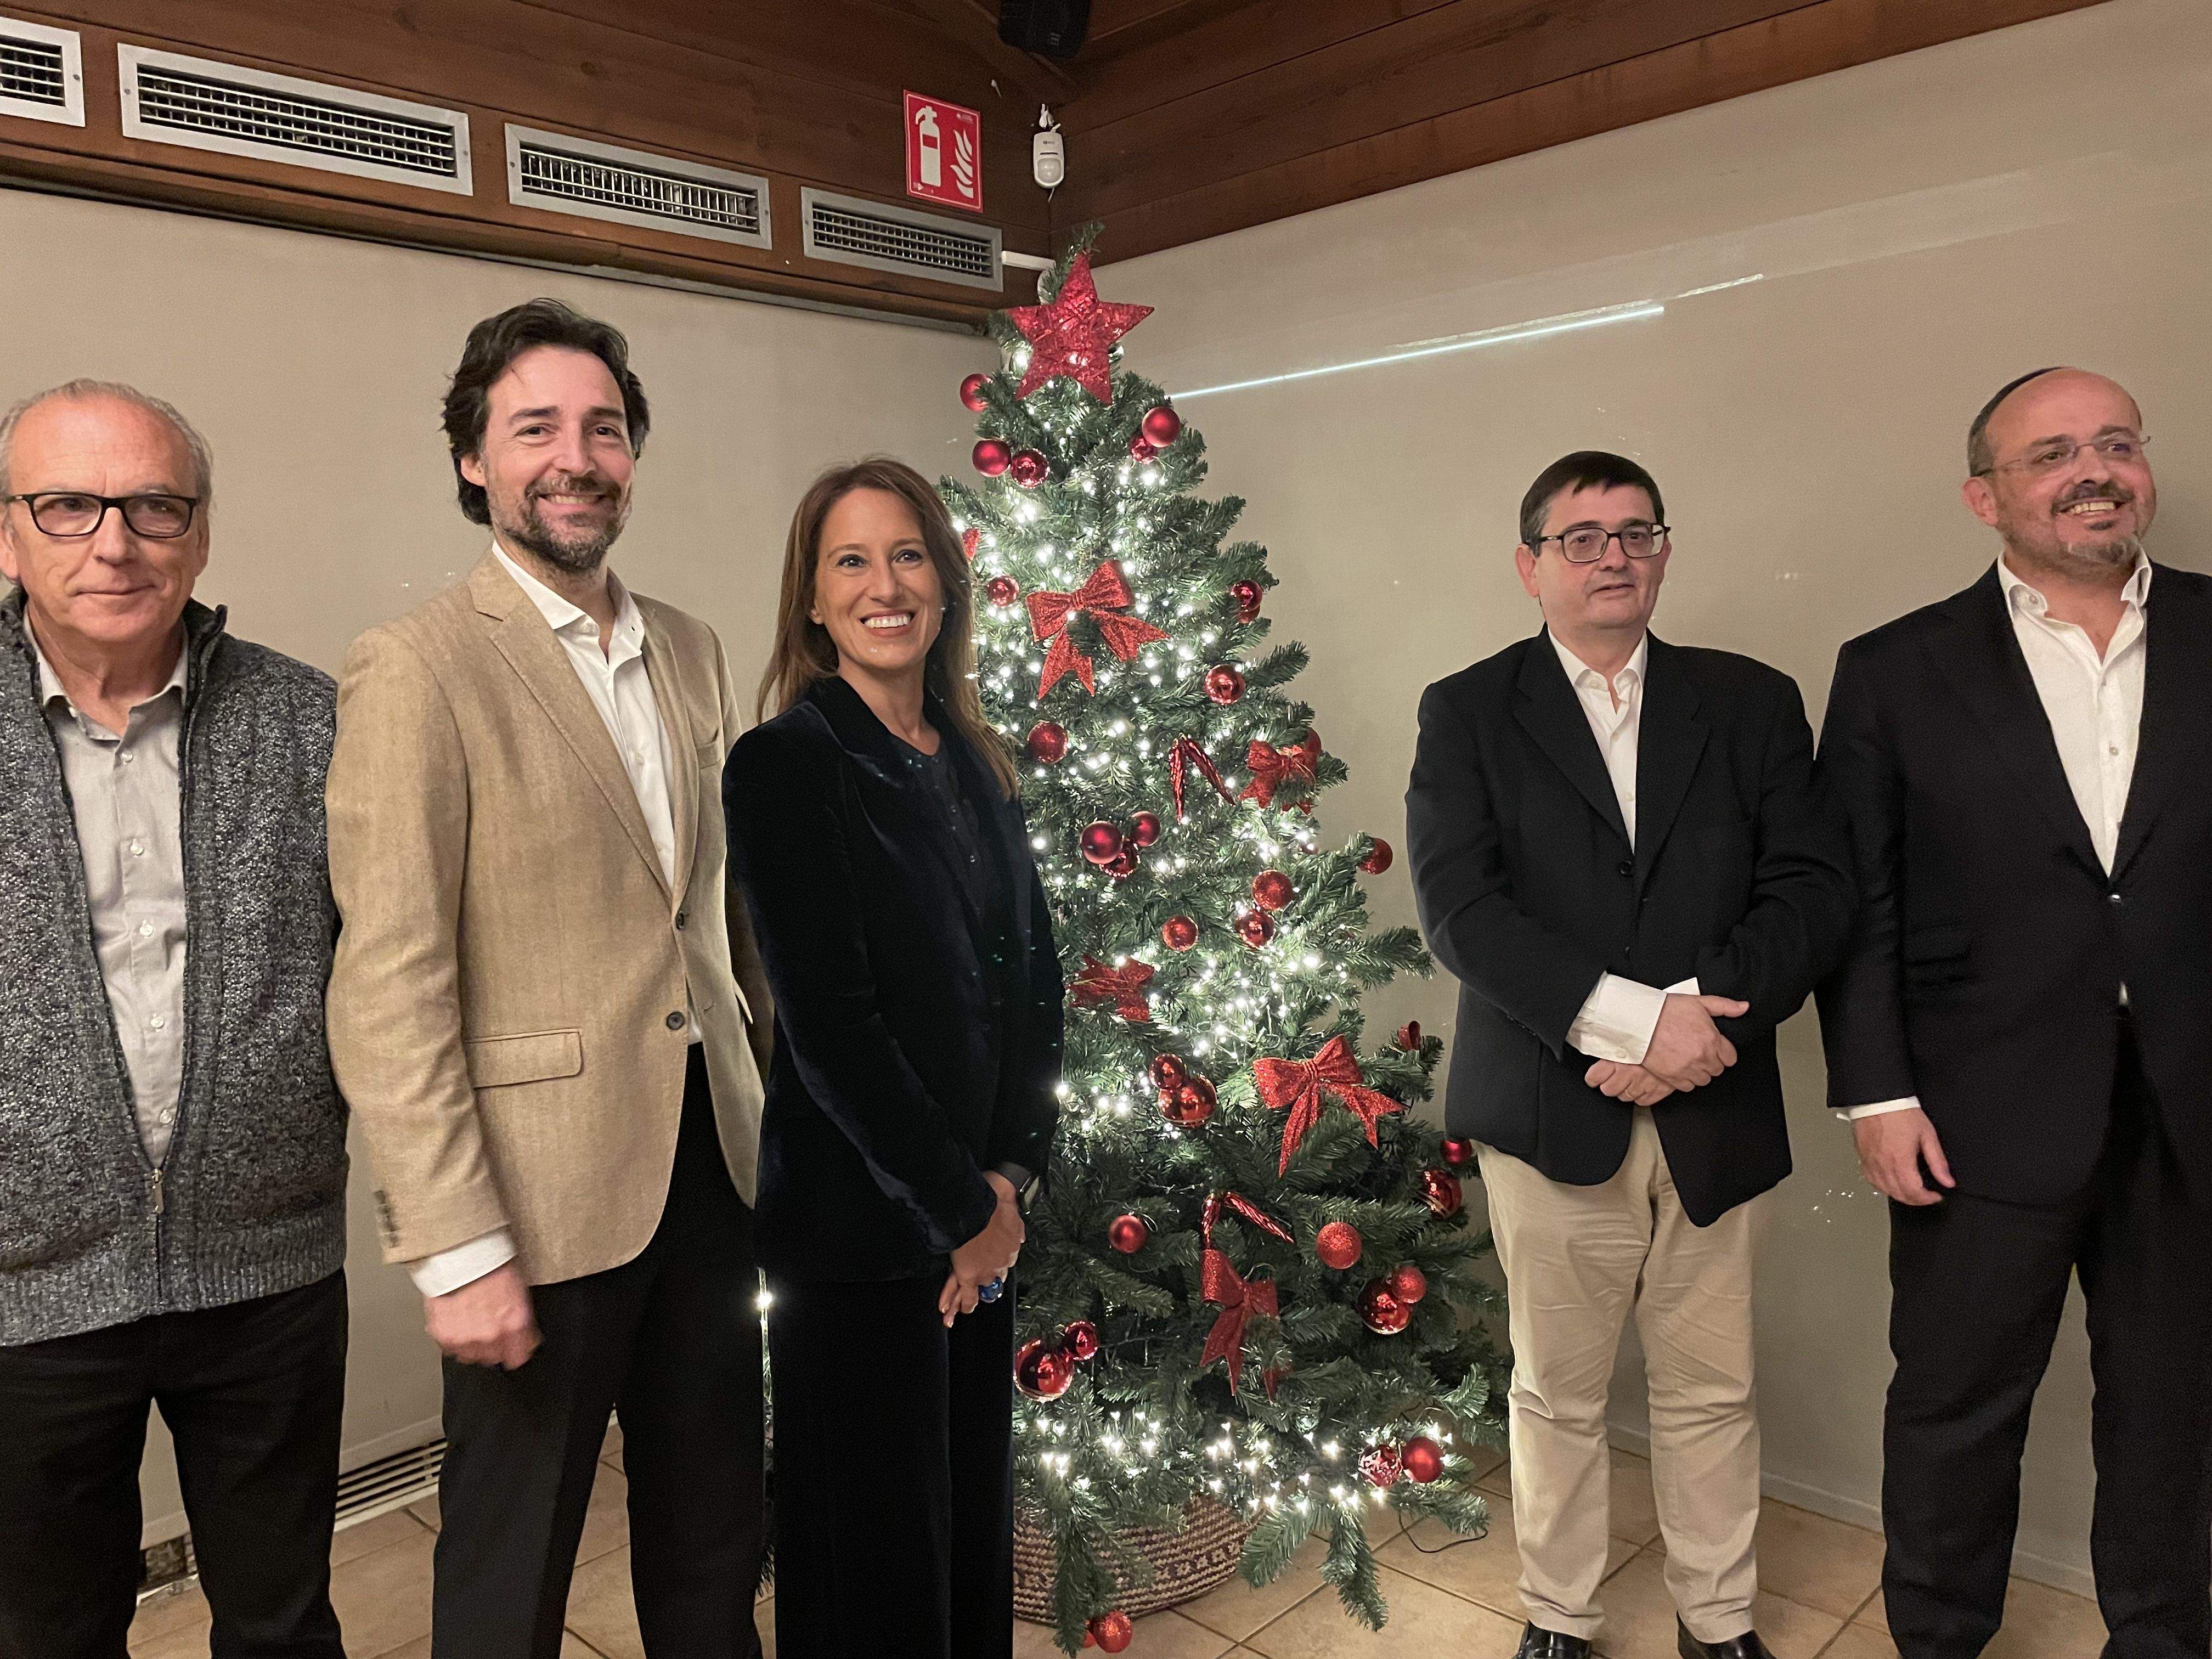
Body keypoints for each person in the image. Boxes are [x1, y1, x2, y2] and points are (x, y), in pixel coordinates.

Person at [324, 299, 772, 1658]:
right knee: (512, 1573)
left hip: (710, 1168)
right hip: (536, 1200)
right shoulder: (417, 669)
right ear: (475, 460)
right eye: (536, 429)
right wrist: (455, 1246)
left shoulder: (689, 647)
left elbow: (707, 917)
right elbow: (389, 980)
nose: (576, 458)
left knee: (714, 1539)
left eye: (605, 429)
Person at [1406, 451, 1854, 1659]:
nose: (1614, 555)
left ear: (1663, 551)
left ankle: (1720, 1621)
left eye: (1636, 532)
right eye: (1583, 536)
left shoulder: (1753, 702)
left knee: (1713, 1390)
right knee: (1556, 1395)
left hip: (1719, 1100)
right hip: (1552, 1111)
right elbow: (1462, 912)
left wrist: (1696, 1025)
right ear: (1530, 565)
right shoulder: (1468, 709)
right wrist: (1634, 1025)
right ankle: (1560, 1617)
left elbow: (1810, 891)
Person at [1817, 369, 2212, 1658]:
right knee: (1954, 1414)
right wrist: (1876, 1094)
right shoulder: (1892, 670)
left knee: (2172, 1411)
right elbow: (1858, 904)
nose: (2093, 470)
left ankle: (2160, 1636)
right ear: (1986, 496)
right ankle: (1937, 1640)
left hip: (2190, 1110)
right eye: (2053, 454)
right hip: (1973, 1119)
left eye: (2115, 444)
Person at [0, 381, 349, 1659]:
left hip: (267, 1272)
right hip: (24, 1296)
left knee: (280, 1620)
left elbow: (388, 968)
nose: (115, 542)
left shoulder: (310, 719)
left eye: (155, 506)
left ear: (199, 536)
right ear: (8, 535)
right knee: (48, 1630)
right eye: (68, 505)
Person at [723, 458, 1062, 1659]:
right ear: (812, 602)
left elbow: (1035, 985)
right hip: (861, 1241)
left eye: (907, 555)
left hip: (982, 1227)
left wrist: (1012, 1177)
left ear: (944, 583)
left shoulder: (971, 759)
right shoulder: (787, 763)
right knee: (872, 1570)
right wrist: (957, 1206)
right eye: (852, 562)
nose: (885, 585)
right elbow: (831, 1024)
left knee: (964, 1541)